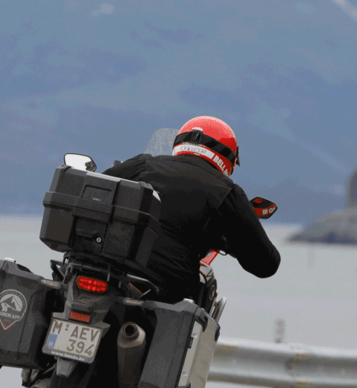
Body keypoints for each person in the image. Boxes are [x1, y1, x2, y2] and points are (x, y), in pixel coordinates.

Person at [102, 115, 280, 300]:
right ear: (229, 158)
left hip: (109, 272)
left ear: (179, 142)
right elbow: (266, 264)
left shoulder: (141, 165)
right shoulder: (225, 191)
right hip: (166, 292)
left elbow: (97, 191)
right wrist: (231, 240)